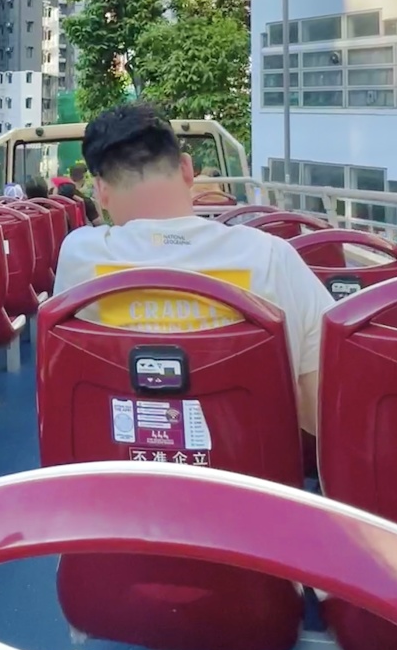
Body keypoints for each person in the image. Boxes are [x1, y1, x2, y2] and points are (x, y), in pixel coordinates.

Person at [52, 103, 334, 434]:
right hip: (243, 481)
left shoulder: (79, 254)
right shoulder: (270, 256)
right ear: (187, 169)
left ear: (101, 192)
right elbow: (321, 412)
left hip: (118, 471)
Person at [67, 161, 102, 226]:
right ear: (84, 176)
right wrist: (97, 204)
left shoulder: (59, 194)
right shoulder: (85, 201)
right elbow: (99, 224)